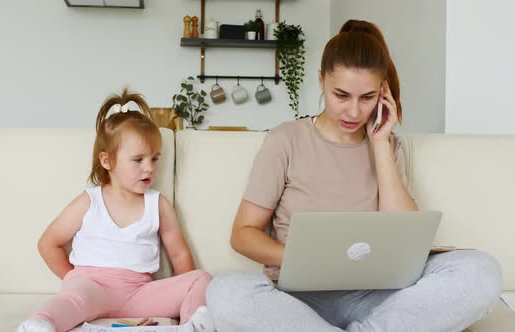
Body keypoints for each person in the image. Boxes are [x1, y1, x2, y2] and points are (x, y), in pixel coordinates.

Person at [206, 20, 502, 332]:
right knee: (226, 291)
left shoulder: (388, 145)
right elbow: (242, 233)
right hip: (300, 303)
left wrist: (379, 143)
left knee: (482, 271)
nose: (353, 112)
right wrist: (306, 258)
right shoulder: (285, 139)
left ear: (382, 92)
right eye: (341, 95)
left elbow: (403, 235)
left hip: (379, 298)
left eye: (367, 98)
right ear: (321, 80)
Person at [17, 89, 214, 332]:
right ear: (107, 161)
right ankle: (40, 323)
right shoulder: (90, 201)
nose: (149, 168)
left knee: (201, 279)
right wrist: (73, 279)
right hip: (92, 286)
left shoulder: (158, 204)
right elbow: (48, 243)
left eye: (154, 159)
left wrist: (183, 291)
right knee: (71, 299)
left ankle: (194, 324)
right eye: (138, 159)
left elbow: (180, 256)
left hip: (139, 293)